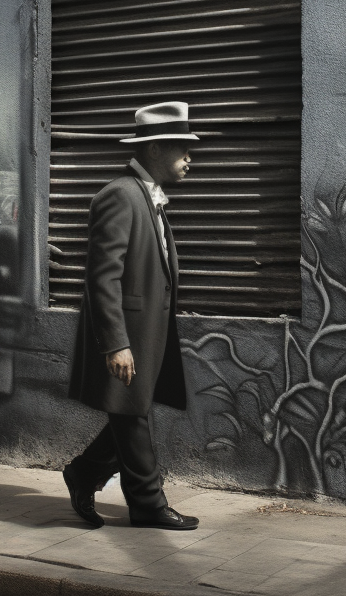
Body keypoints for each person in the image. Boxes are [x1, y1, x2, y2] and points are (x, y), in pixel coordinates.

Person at [64, 101, 199, 530]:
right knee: (132, 415)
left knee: (131, 411)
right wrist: (116, 342)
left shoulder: (147, 196)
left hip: (148, 332)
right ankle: (147, 503)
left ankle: (85, 472)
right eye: (182, 149)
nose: (189, 159)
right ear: (156, 149)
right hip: (129, 334)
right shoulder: (120, 196)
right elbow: (102, 278)